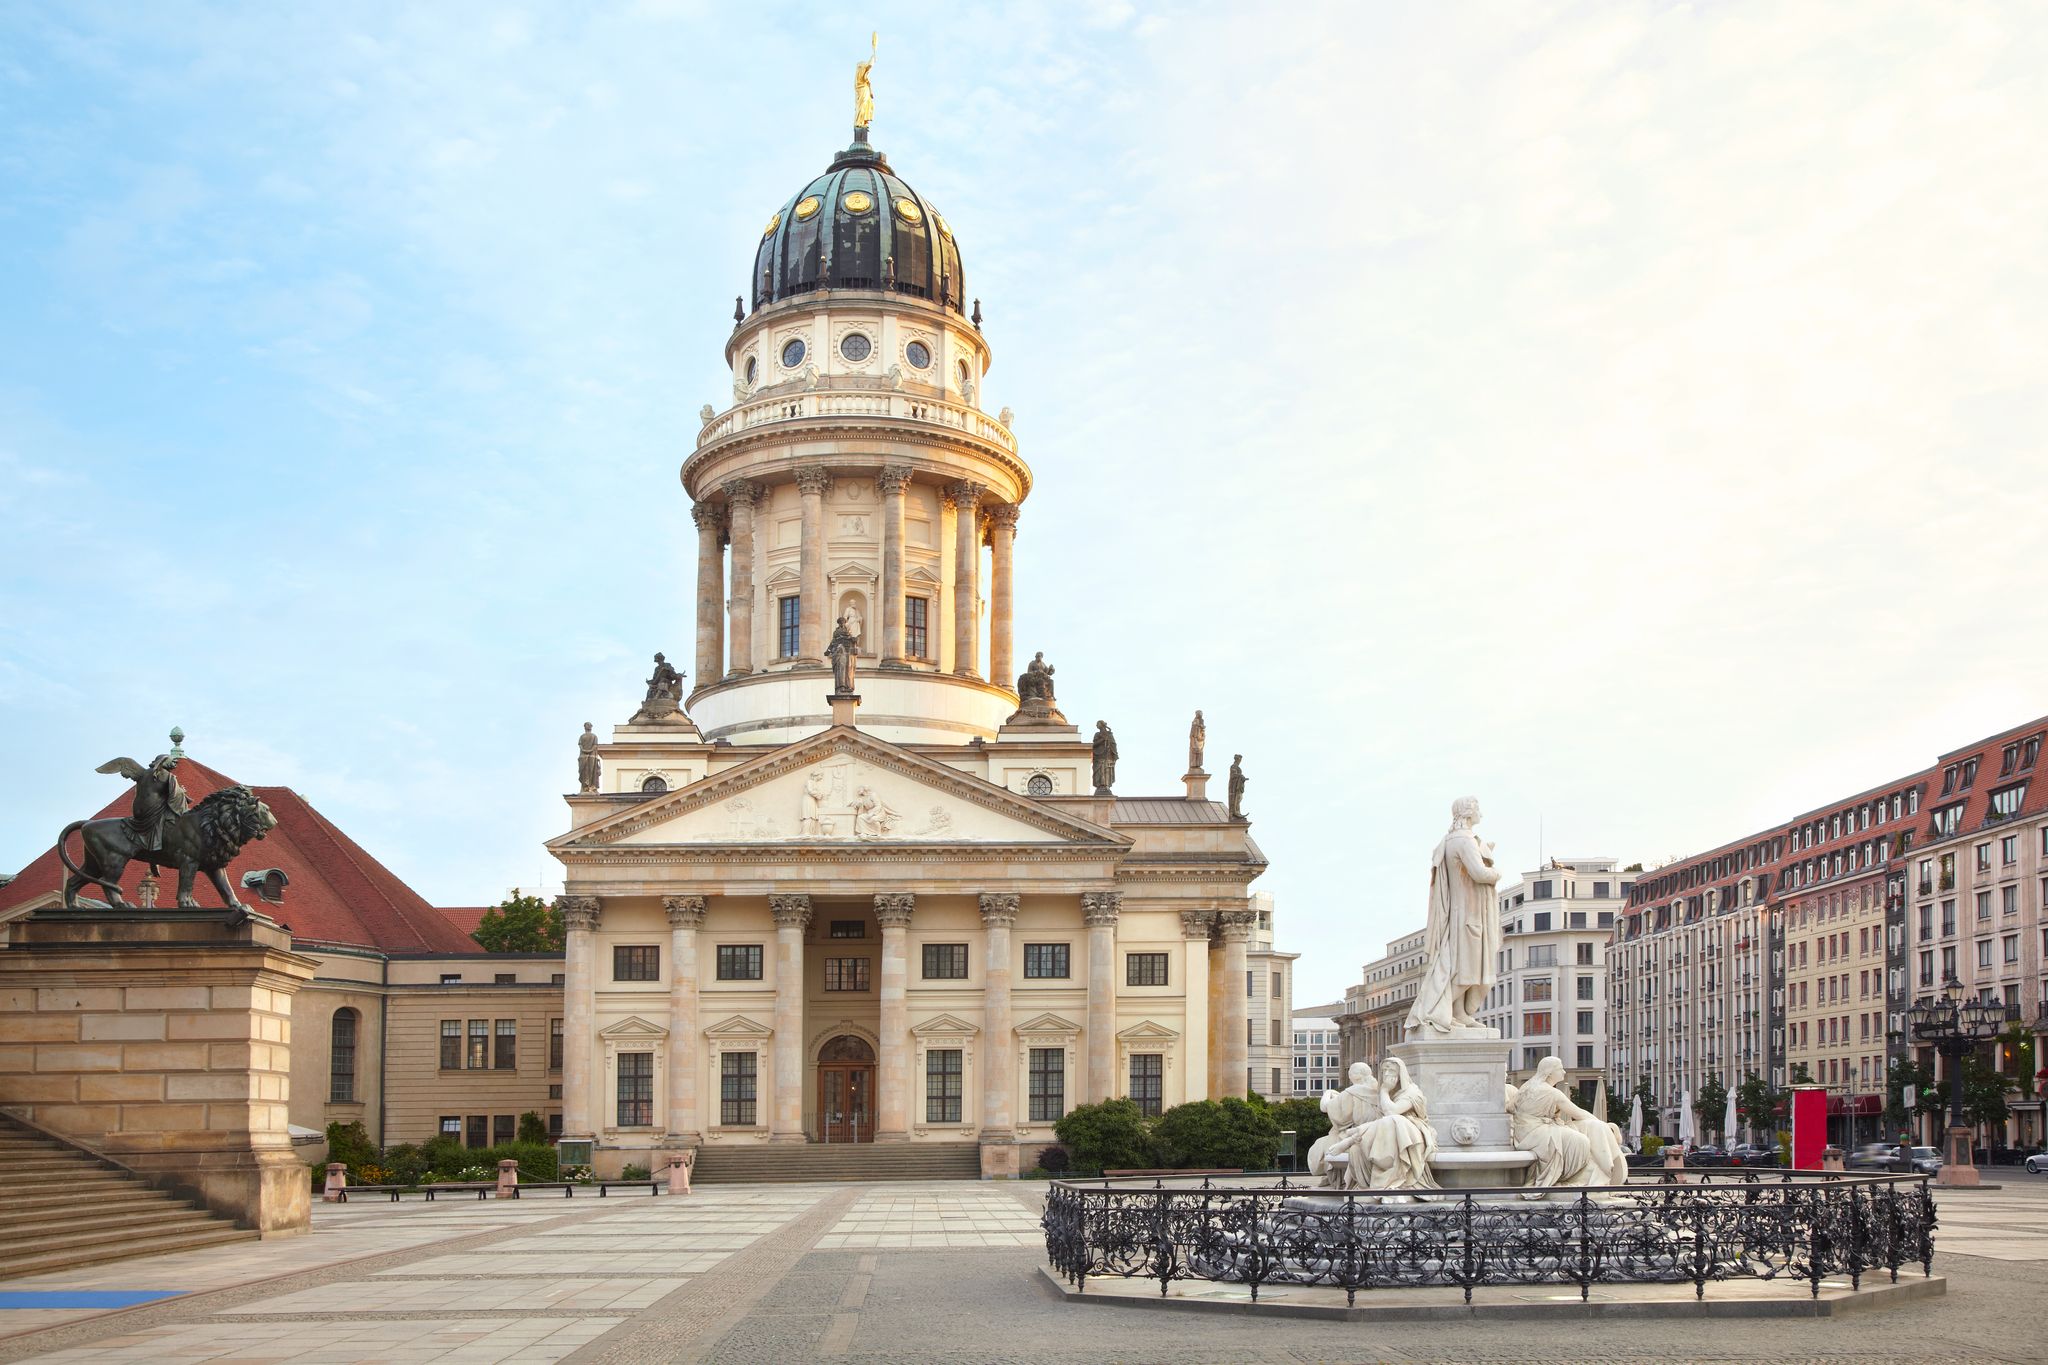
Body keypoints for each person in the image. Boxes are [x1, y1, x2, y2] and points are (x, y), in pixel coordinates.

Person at [1405, 796, 1503, 1035]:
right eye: (1478, 808)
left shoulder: (1450, 840)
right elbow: (1480, 874)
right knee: (1468, 965)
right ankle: (1440, 1009)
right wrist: (1496, 871)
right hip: (1470, 913)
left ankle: (1458, 1013)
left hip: (1461, 912)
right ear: (1468, 812)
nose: (1481, 812)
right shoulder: (1464, 840)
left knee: (1461, 963)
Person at [1510, 1055, 1630, 1187]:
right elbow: (1579, 1113)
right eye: (1560, 1069)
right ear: (1550, 1072)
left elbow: (1509, 1107)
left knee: (1591, 1126)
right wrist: (1607, 1127)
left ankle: (1599, 1168)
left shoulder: (1527, 1086)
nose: (1564, 1072)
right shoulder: (1551, 1092)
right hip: (1535, 1133)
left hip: (1526, 1131)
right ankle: (1581, 1177)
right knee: (1580, 1141)